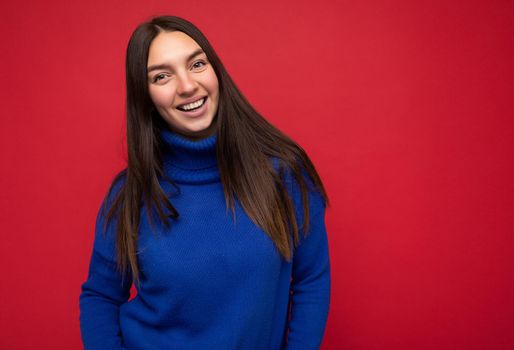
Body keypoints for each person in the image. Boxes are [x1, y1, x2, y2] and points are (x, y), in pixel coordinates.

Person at [79, 15, 331, 350]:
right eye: (162, 76)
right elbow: (100, 295)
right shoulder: (129, 194)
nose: (186, 86)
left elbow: (312, 278)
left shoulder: (283, 173)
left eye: (197, 64)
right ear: (147, 98)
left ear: (216, 72)